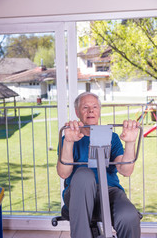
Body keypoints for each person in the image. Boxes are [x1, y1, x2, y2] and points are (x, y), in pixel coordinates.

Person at [57, 92, 141, 238]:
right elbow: (63, 173)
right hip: (78, 192)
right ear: (77, 112)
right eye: (85, 107)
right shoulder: (68, 137)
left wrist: (130, 142)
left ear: (99, 111)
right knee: (84, 174)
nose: (91, 110)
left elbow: (126, 170)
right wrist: (69, 142)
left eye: (95, 107)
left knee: (128, 216)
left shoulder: (112, 137)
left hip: (109, 192)